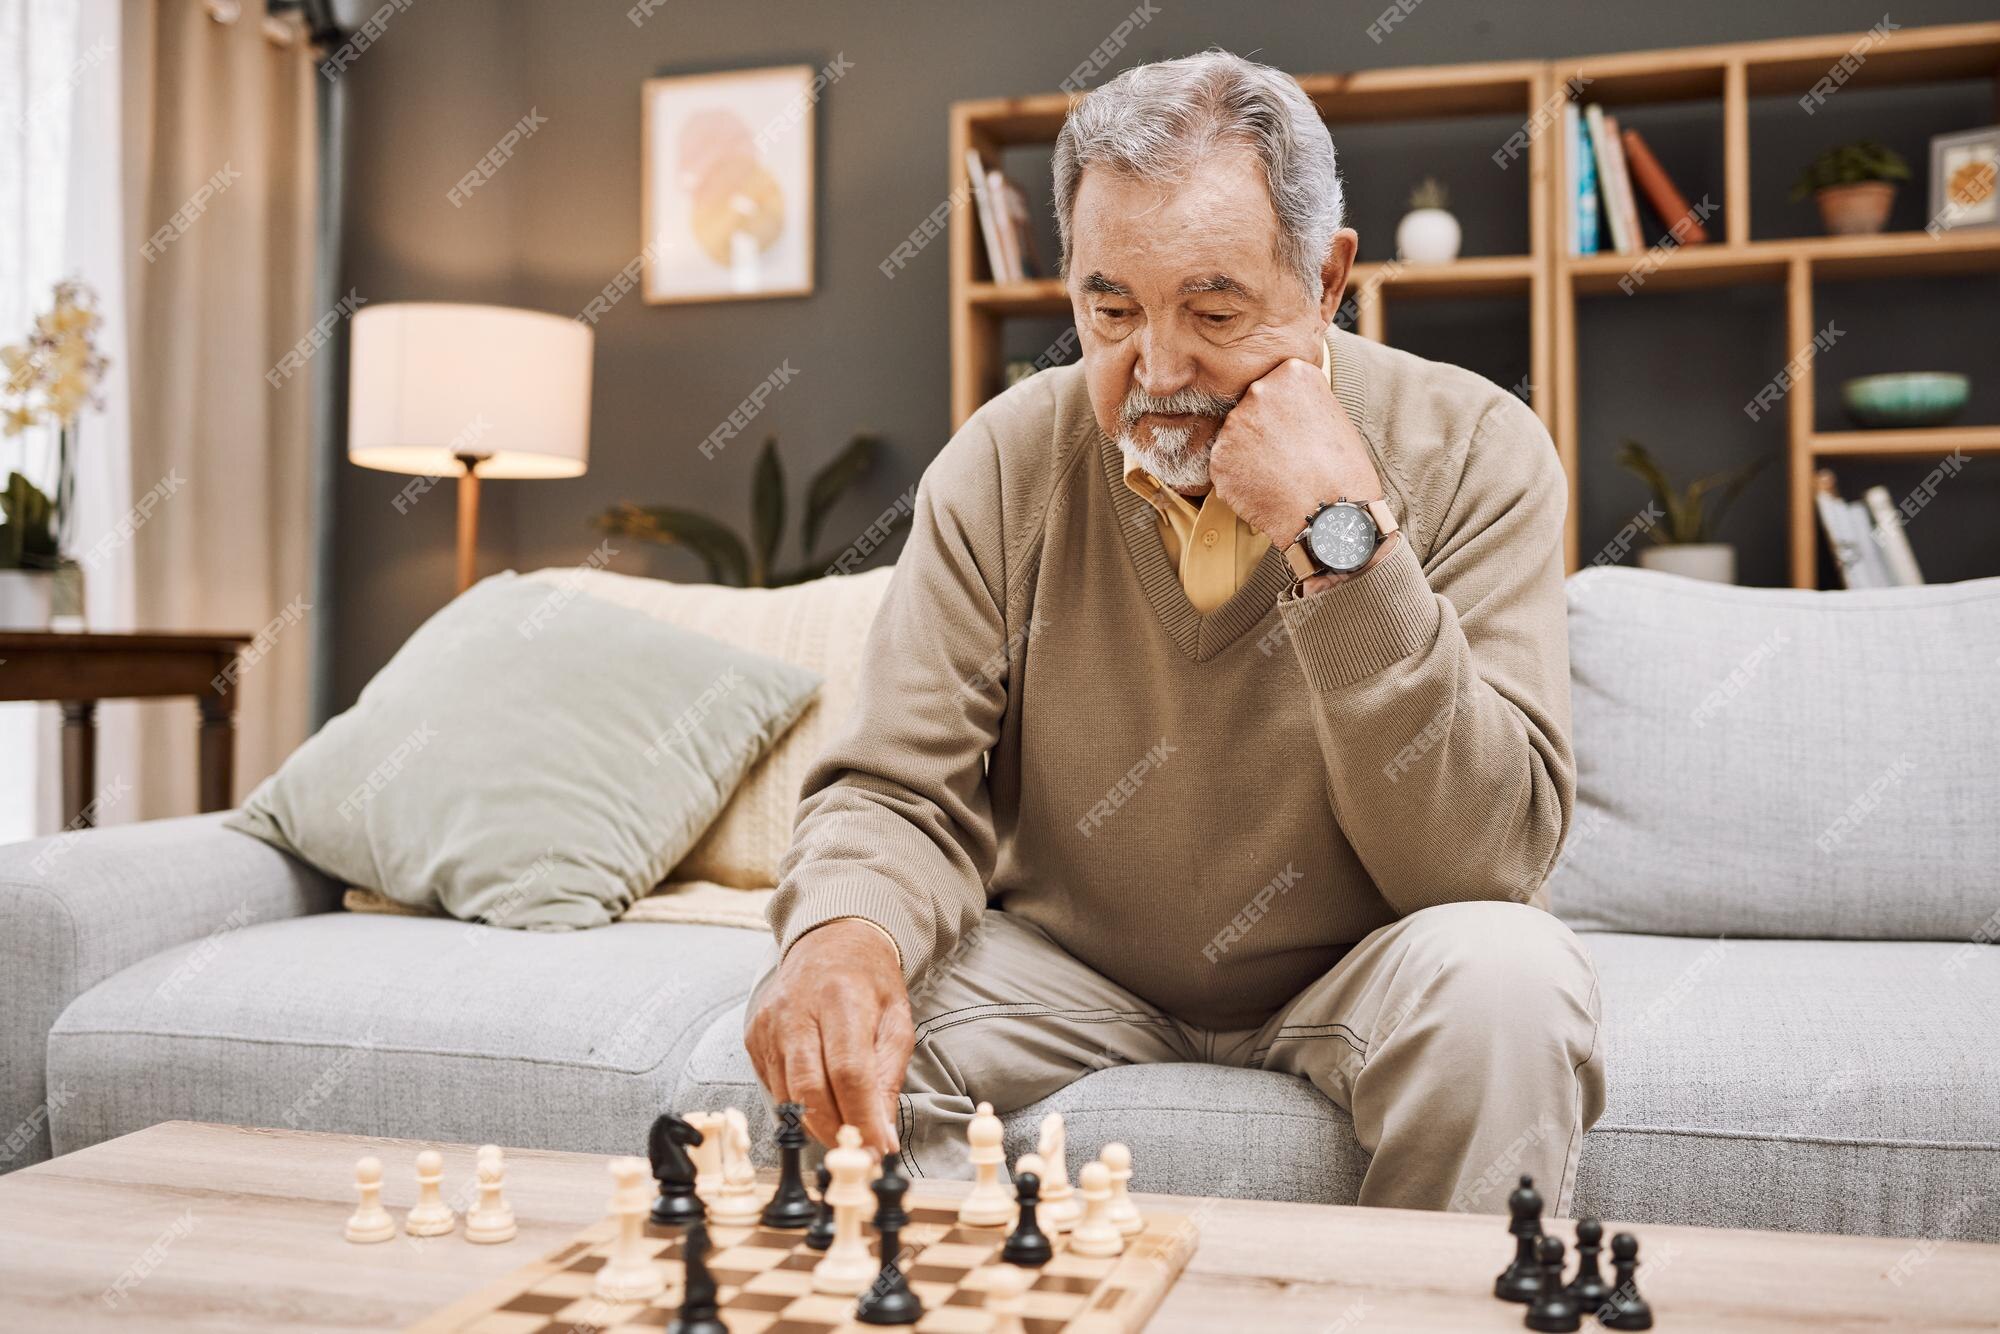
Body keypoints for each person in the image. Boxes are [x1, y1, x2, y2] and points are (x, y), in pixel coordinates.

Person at [743, 49, 1604, 1214]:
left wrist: (1335, 534)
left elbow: (1485, 861)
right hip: (1074, 969)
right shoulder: (1004, 461)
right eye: (1109, 309)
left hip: (1364, 968)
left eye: (1213, 309)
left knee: (1511, 988)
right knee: (835, 1028)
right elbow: (897, 788)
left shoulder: (1477, 448)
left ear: (1328, 277)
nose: (1155, 369)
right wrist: (844, 931)